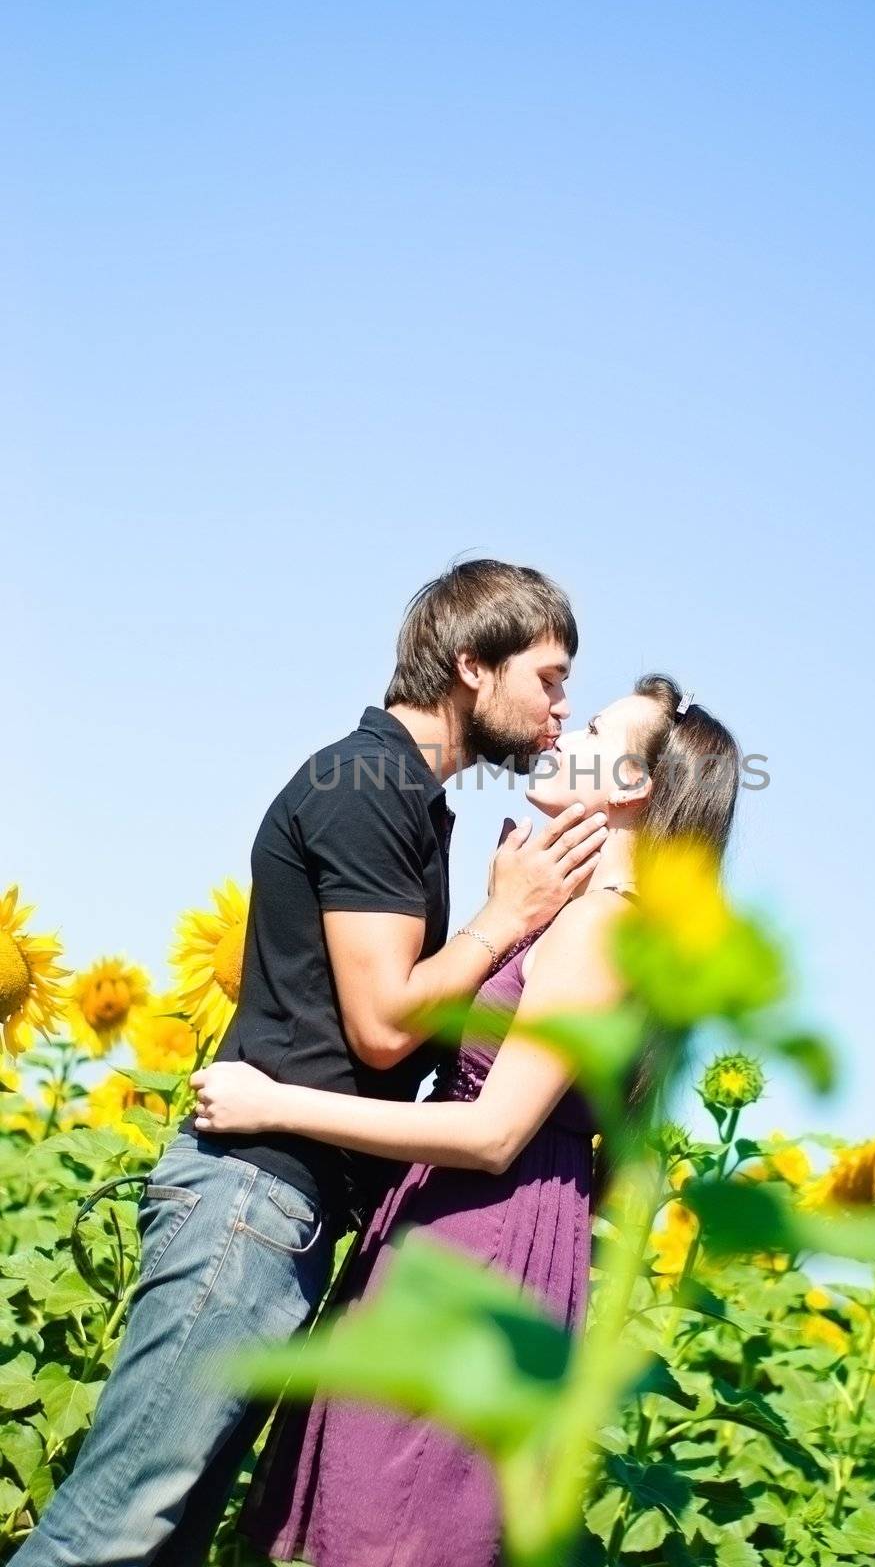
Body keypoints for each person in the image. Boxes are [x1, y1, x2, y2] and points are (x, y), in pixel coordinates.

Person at [13, 559, 609, 1567]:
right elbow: (382, 1026)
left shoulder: (405, 796)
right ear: (473, 664)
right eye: (549, 677)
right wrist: (505, 921)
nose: (561, 705)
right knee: (108, 1537)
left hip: (277, 1204)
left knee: (156, 1544)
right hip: (251, 1197)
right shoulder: (369, 783)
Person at [191, 673, 740, 1567]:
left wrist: (275, 1100)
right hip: (485, 1240)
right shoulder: (597, 924)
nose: (566, 730)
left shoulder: (601, 930)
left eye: (595, 725)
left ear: (633, 785)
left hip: (474, 1250)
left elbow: (491, 1132)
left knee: (392, 1526)